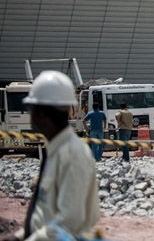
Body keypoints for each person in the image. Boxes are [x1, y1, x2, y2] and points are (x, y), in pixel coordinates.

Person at [16, 71, 100, 240]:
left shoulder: (73, 154)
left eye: (31, 109)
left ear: (41, 115)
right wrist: (20, 236)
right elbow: (43, 211)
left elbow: (69, 223)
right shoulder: (54, 151)